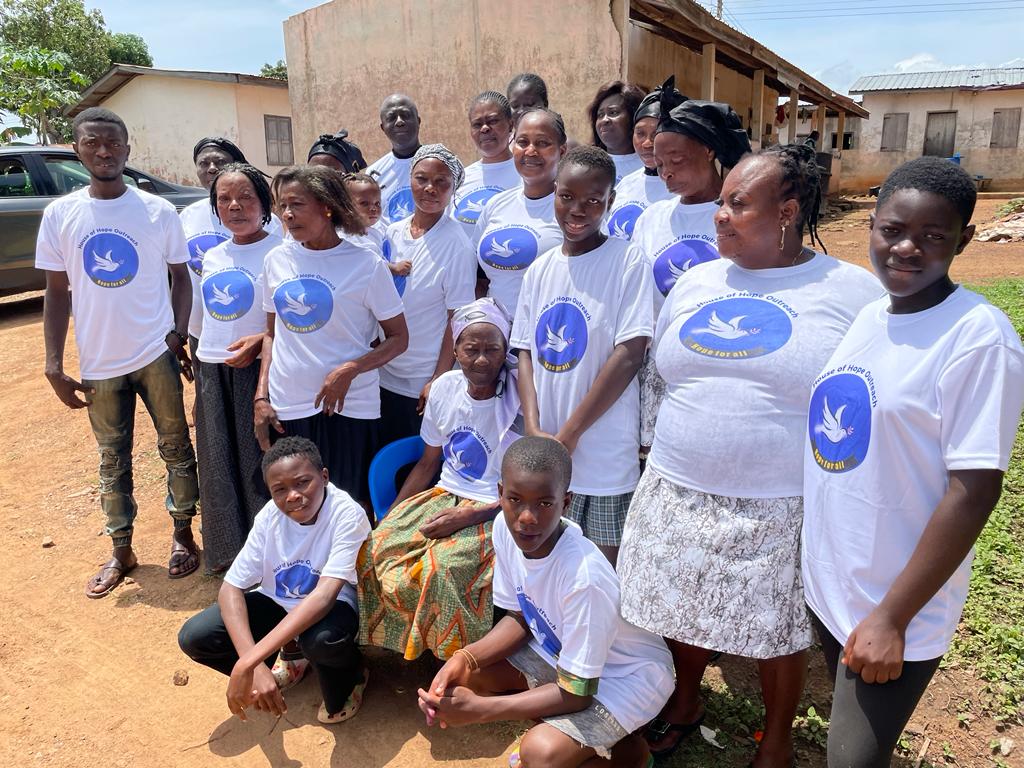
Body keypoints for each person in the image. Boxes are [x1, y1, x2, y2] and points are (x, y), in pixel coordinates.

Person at [616, 144, 883, 767]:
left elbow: (868, 395)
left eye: (738, 203)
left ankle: (777, 742)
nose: (720, 215)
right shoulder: (697, 281)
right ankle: (685, 701)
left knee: (776, 626)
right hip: (676, 484)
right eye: (721, 201)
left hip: (779, 500)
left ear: (787, 212)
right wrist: (648, 446)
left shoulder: (850, 292)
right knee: (679, 604)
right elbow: (658, 374)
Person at [802, 157, 1024, 768]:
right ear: (871, 225)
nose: (906, 248)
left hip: (895, 600)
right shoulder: (871, 315)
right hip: (836, 579)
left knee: (851, 760)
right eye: (893, 230)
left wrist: (892, 618)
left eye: (932, 235)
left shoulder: (978, 337)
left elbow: (974, 490)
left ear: (964, 241)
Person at [416, 436, 674, 768]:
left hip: (626, 678)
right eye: (515, 499)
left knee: (539, 754)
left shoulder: (584, 579)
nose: (527, 517)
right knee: (467, 677)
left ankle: (631, 754)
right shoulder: (504, 529)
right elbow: (520, 617)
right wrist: (465, 658)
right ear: (500, 495)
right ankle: (579, 738)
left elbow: (576, 694)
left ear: (565, 503)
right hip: (563, 653)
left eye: (544, 503)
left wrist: (482, 711)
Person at [36, 107, 200, 597]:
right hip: (99, 362)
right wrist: (53, 364)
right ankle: (121, 549)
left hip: (155, 354)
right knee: (112, 459)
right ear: (77, 150)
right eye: (92, 142)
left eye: (113, 143)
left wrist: (177, 334)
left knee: (176, 447)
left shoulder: (157, 210)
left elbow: (181, 278)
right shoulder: (60, 214)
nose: (104, 151)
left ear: (128, 149)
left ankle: (182, 534)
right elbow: (56, 292)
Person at [359, 299, 522, 660]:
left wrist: (470, 515)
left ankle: (455, 663)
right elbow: (427, 463)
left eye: (493, 349)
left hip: (496, 508)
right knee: (375, 547)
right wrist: (392, 517)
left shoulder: (519, 401)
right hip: (444, 493)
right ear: (455, 351)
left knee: (442, 567)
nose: (482, 360)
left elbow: (523, 491)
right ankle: (394, 646)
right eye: (472, 349)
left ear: (506, 350)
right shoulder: (445, 388)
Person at [512, 147, 652, 565]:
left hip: (604, 459)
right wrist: (534, 427)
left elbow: (629, 354)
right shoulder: (540, 269)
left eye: (593, 200)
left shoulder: (627, 260)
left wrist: (570, 435)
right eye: (567, 196)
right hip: (546, 462)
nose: (578, 210)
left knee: (602, 572)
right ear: (554, 193)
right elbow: (525, 352)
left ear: (610, 201)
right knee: (550, 567)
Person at [178, 437, 372, 724]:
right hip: (279, 600)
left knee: (321, 644)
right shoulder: (269, 516)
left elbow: (324, 596)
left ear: (324, 477)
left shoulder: (346, 513)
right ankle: (292, 655)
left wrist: (247, 661)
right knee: (195, 636)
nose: (292, 496)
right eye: (280, 489)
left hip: (332, 606)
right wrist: (254, 664)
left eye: (303, 482)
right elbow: (230, 587)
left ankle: (353, 673)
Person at [255, 165, 408, 507]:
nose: (287, 214)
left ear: (327, 207)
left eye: (297, 204)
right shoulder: (275, 260)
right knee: (298, 507)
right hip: (289, 404)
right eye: (283, 205)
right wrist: (261, 397)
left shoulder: (366, 264)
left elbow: (399, 338)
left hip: (349, 406)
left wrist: (351, 369)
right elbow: (271, 334)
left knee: (347, 506)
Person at [630, 98, 751, 451]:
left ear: (709, 150)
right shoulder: (652, 219)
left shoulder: (740, 217)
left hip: (725, 363)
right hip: (662, 365)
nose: (666, 172)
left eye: (677, 160)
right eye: (660, 164)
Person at [193, 163, 282, 572]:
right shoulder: (213, 256)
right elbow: (203, 320)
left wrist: (261, 341)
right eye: (224, 199)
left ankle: (269, 556)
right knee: (218, 464)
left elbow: (285, 323)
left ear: (264, 204)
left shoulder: (280, 252)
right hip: (214, 370)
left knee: (257, 462)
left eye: (246, 197)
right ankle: (228, 553)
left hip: (259, 370)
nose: (235, 206)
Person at [378, 145, 477, 446]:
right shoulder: (392, 233)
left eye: (441, 182)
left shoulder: (457, 245)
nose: (430, 188)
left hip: (418, 383)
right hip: (381, 374)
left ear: (453, 189)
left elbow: (456, 320)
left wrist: (437, 379)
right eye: (421, 179)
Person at [475, 108, 567, 314]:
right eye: (522, 142)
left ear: (562, 151)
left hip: (543, 328)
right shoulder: (496, 205)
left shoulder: (573, 210)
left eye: (542, 143)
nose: (531, 151)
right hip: (495, 330)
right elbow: (479, 278)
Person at [181, 137, 247, 347]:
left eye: (220, 162)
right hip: (200, 333)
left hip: (247, 336)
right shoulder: (187, 216)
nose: (211, 169)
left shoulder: (263, 218)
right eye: (203, 163)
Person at [605, 76, 686, 242]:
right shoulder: (625, 184)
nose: (647, 143)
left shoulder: (685, 192)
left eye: (656, 134)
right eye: (640, 133)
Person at [452, 91, 521, 239]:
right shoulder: (460, 178)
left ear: (510, 125)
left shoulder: (526, 174)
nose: (484, 128)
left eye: (493, 121)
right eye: (477, 124)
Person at [366, 93, 423, 224]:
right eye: (391, 118)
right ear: (383, 127)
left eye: (406, 115)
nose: (399, 122)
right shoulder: (374, 174)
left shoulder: (439, 163)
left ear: (418, 121)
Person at [586, 80, 647, 184]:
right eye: (600, 115)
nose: (605, 120)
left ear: (633, 118)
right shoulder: (586, 165)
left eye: (613, 112)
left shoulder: (651, 166)